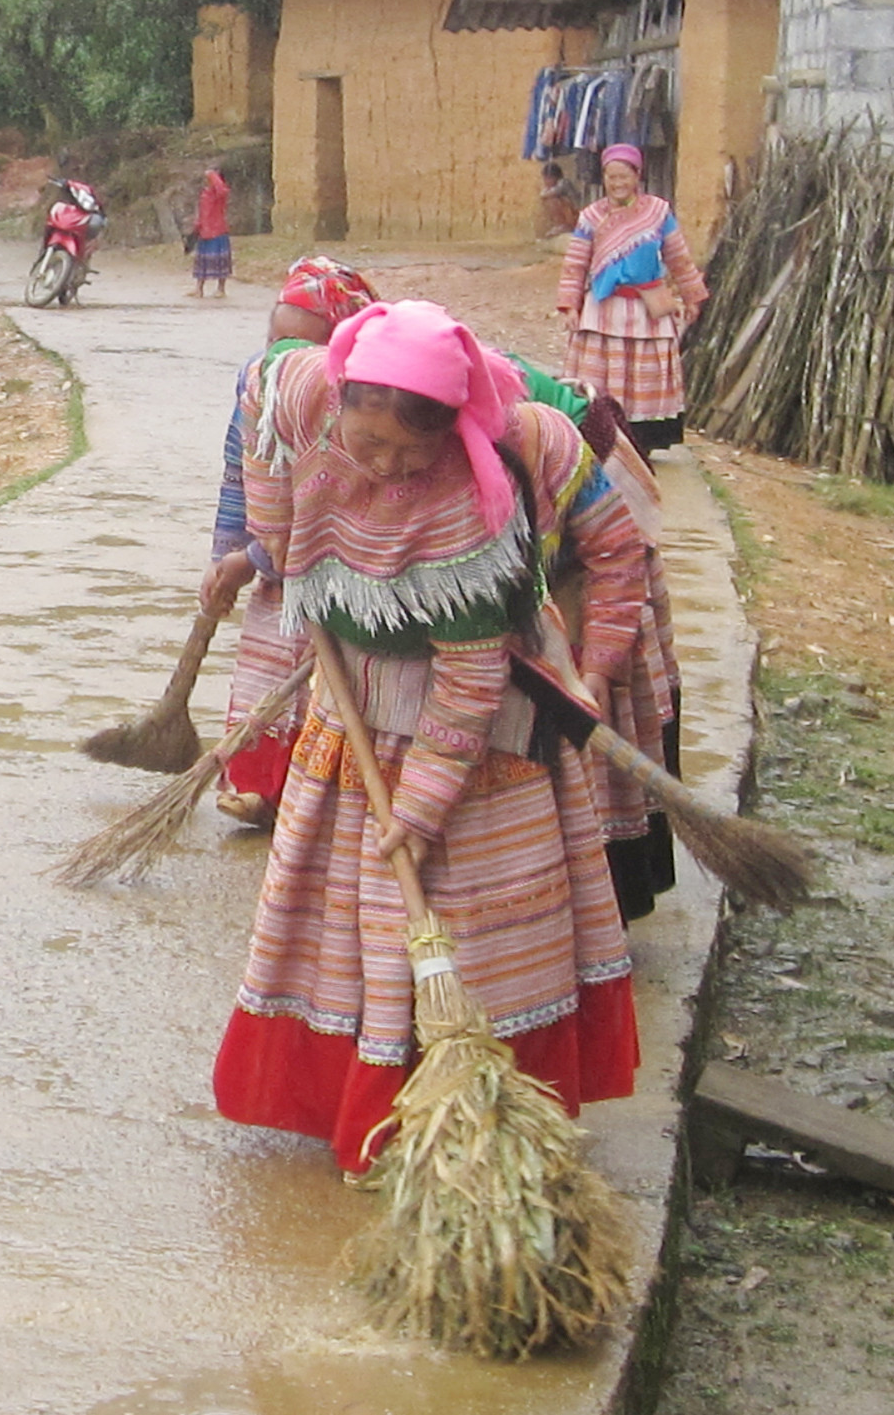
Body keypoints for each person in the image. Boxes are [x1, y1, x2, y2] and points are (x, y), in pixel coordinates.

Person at [212, 300, 643, 1173]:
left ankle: (476, 1106)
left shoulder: (472, 503)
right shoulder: (306, 391)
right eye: (368, 444)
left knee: (466, 912)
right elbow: (256, 388)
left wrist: (419, 805)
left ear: (453, 431)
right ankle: (343, 1097)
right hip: (352, 702)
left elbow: (472, 677)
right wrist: (275, 534)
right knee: (343, 916)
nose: (385, 467)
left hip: (477, 729)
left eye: (410, 452)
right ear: (342, 401)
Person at [200, 256, 379, 828]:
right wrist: (224, 556)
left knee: (335, 687)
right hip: (276, 568)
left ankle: (319, 798)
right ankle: (257, 787)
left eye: (299, 346)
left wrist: (250, 558)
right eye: (273, 339)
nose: (280, 358)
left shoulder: (365, 402)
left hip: (347, 567)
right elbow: (238, 472)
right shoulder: (256, 382)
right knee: (268, 670)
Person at [513, 355, 682, 921]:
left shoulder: (535, 438)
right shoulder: (386, 437)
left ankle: (605, 900)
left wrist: (597, 671)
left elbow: (616, 556)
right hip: (540, 541)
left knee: (590, 703)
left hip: (594, 527)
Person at [555, 143, 708, 454]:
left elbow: (678, 258)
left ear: (637, 176)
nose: (617, 183)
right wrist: (571, 305)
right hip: (603, 310)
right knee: (601, 379)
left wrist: (692, 297)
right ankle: (599, 433)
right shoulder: (591, 217)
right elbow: (576, 264)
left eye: (624, 176)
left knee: (643, 378)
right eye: (611, 177)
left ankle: (643, 440)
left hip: (647, 309)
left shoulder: (658, 213)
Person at [187, 166, 232, 299]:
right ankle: (198, 290)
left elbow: (222, 191)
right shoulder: (205, 193)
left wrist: (212, 175)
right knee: (202, 263)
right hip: (204, 231)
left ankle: (221, 289)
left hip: (218, 231)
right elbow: (202, 212)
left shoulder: (219, 194)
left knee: (220, 262)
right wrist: (197, 226)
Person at [535, 162, 578, 240]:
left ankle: (565, 226)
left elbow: (551, 193)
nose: (545, 181)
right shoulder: (551, 187)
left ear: (554, 177)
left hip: (574, 217)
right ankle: (557, 225)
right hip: (570, 215)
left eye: (547, 178)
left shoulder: (564, 182)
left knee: (552, 200)